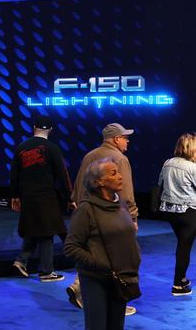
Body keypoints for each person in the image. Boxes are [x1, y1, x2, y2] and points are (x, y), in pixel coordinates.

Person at [66, 123, 138, 316]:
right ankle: (116, 297)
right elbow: (126, 193)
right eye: (125, 138)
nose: (127, 141)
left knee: (94, 252)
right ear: (116, 139)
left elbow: (79, 185)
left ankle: (80, 287)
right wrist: (132, 217)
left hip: (87, 213)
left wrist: (77, 204)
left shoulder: (90, 155)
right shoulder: (119, 159)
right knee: (116, 258)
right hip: (113, 216)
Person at [10, 115, 72, 282]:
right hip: (46, 197)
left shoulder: (21, 148)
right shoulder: (52, 148)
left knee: (35, 228)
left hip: (27, 197)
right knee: (46, 232)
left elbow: (14, 174)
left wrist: (15, 196)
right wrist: (70, 196)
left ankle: (21, 261)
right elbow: (62, 175)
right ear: (51, 130)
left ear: (34, 127)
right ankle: (46, 272)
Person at [158, 132, 196, 296]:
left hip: (170, 212)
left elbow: (160, 184)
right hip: (189, 211)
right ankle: (179, 284)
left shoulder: (168, 163)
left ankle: (180, 281)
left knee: (183, 245)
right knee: (184, 247)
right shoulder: (192, 167)